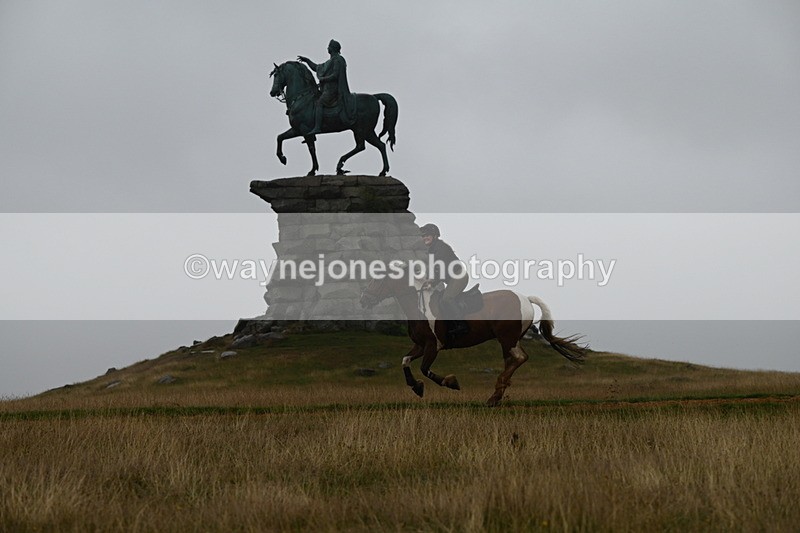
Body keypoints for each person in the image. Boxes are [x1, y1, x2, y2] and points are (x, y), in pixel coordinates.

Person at [419, 223, 469, 338]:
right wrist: (431, 282)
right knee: (440, 299)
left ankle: (462, 325)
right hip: (451, 279)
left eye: (428, 235)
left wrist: (431, 282)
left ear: (435, 236)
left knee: (447, 299)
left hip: (459, 276)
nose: (425, 238)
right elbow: (438, 272)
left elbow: (439, 269)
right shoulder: (432, 250)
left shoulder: (440, 248)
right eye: (423, 236)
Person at [297, 39, 356, 135]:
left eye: (329, 47)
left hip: (333, 90)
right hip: (326, 89)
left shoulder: (338, 59)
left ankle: (317, 127)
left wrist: (324, 79)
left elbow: (335, 75)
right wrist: (307, 61)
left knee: (319, 103)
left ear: (332, 49)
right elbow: (317, 68)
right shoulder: (330, 61)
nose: (327, 48)